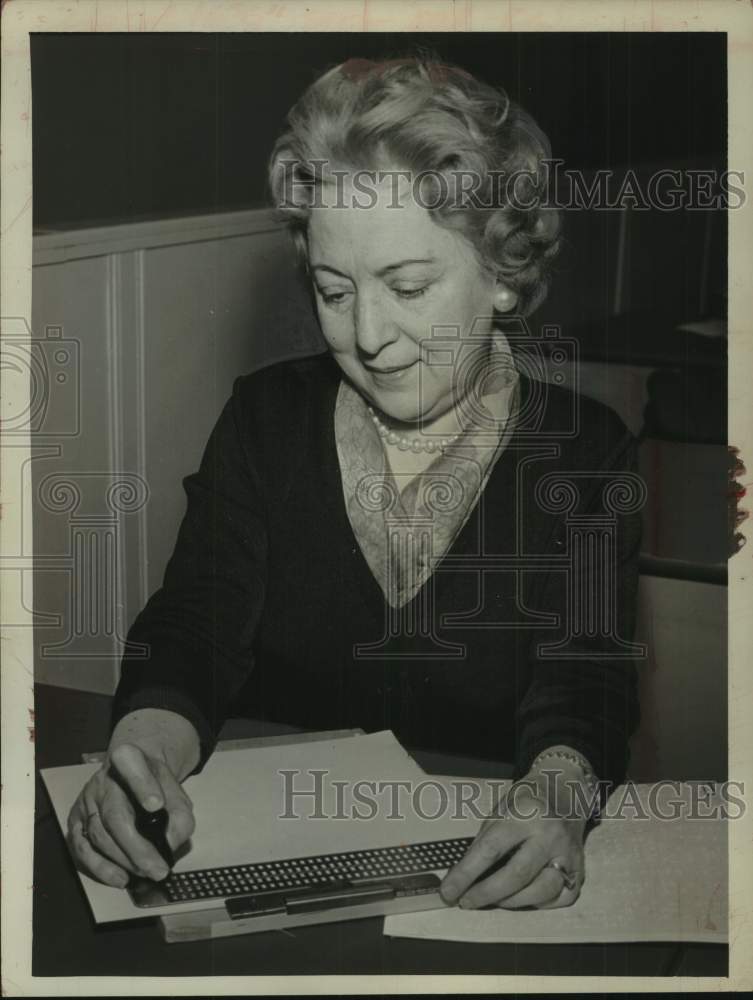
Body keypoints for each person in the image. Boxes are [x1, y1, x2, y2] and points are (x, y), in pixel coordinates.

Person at [67, 56, 642, 911]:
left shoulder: (586, 450)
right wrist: (144, 751)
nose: (368, 335)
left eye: (408, 286)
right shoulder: (265, 420)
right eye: (334, 291)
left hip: (476, 871)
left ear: (504, 275)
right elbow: (196, 623)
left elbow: (585, 670)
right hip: (270, 861)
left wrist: (555, 794)